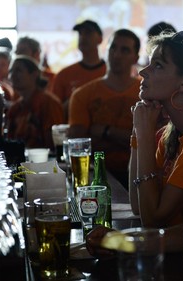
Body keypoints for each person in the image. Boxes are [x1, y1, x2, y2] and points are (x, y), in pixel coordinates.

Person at [86, 31, 183, 257]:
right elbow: (139, 205)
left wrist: (145, 135)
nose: (142, 72)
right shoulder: (175, 132)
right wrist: (139, 135)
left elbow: (153, 219)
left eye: (157, 65)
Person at [68, 29, 141, 189]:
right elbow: (78, 144)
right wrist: (132, 140)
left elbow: (152, 141)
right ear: (106, 50)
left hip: (142, 173)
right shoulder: (83, 94)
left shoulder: (147, 92)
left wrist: (106, 131)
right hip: (96, 175)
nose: (117, 54)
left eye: (125, 50)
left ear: (135, 58)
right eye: (113, 48)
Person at [52, 19, 106, 121]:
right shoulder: (63, 75)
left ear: (100, 39)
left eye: (88, 33)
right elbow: (53, 114)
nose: (83, 37)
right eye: (80, 34)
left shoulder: (112, 73)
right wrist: (75, 100)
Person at [6, 55, 64, 149]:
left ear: (34, 74)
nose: (12, 75)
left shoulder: (49, 103)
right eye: (11, 71)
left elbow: (54, 142)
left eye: (18, 70)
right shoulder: (15, 108)